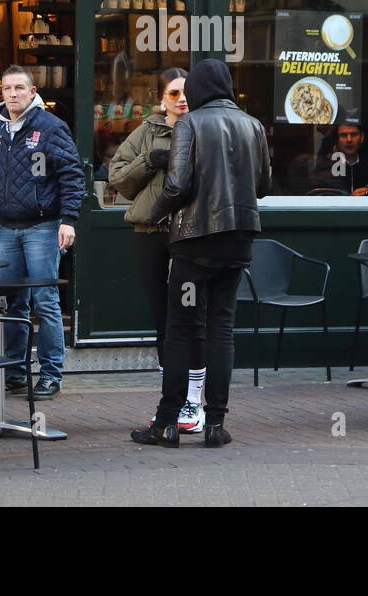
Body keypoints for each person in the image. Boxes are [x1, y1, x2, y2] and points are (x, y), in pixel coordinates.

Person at [130, 59, 271, 449]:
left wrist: (157, 214)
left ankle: (166, 423)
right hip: (238, 240)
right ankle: (215, 424)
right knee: (222, 329)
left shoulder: (191, 124)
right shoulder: (254, 125)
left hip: (195, 243)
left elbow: (176, 185)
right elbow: (263, 186)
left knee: (181, 329)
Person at [107, 68, 208, 433]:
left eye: (186, 92)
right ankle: (173, 399)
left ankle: (194, 402)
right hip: (151, 231)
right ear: (161, 99)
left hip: (194, 234)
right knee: (162, 317)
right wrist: (151, 160)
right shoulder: (147, 132)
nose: (181, 99)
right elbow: (117, 178)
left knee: (191, 315)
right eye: (173, 94)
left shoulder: (206, 127)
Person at [0, 65, 84, 401]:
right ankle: (14, 373)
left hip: (42, 226)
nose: (13, 94)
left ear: (33, 91)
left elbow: (72, 174)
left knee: (46, 302)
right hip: (6, 228)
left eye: (20, 88)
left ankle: (51, 374)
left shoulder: (51, 127)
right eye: (7, 88)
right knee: (14, 303)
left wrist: (68, 219)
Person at [317, 122, 368, 195]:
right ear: (337, 139)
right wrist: (350, 200)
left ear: (362, 137)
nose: (349, 140)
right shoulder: (327, 167)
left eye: (354, 135)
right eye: (344, 135)